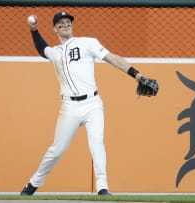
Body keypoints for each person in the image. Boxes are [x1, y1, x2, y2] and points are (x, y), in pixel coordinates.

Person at [21, 11, 146, 196]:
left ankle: (102, 188)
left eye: (68, 21)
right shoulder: (55, 52)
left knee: (97, 143)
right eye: (60, 23)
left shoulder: (88, 42)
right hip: (69, 107)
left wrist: (136, 74)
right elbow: (42, 49)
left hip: (93, 104)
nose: (65, 24)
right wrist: (34, 31)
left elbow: (112, 58)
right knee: (56, 150)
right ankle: (31, 185)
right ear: (55, 28)